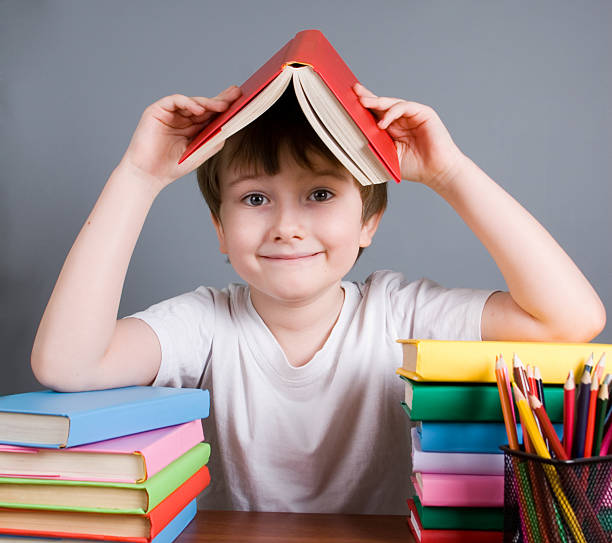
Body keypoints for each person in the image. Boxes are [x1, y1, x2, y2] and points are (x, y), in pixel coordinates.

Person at [31, 81, 605, 514]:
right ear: (219, 229)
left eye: (320, 193)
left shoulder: (399, 313)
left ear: (368, 222)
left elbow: (571, 320)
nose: (286, 226)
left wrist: (448, 172)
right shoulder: (205, 322)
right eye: (255, 199)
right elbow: (67, 363)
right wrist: (139, 175)